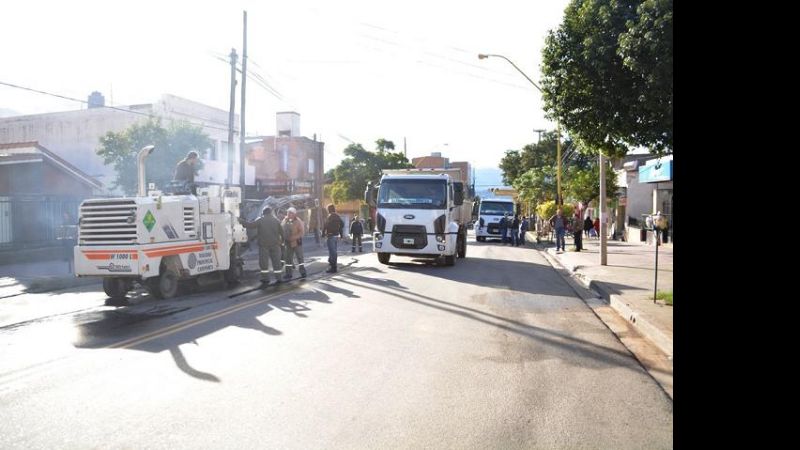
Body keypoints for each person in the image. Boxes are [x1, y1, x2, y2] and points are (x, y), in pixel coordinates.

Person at [239, 206, 284, 284]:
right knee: (276, 262)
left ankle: (266, 279)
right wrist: (282, 242)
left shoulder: (260, 220)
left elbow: (250, 225)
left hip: (264, 245)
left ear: (263, 213)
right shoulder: (276, 221)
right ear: (270, 212)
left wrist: (240, 220)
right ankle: (279, 278)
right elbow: (282, 233)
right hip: (275, 245)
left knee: (264, 263)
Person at [281, 207, 307, 279]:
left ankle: (303, 272)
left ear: (294, 214)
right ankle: (288, 274)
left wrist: (293, 237)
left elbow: (302, 232)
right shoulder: (285, 220)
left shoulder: (298, 221)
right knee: (288, 259)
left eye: (290, 213)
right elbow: (282, 229)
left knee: (300, 258)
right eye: (288, 212)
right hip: (287, 242)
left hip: (296, 242)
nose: (289, 214)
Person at [322, 204, 345, 273]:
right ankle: (331, 263)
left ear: (329, 209)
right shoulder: (337, 216)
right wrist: (340, 233)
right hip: (336, 236)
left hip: (331, 235)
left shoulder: (330, 216)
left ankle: (333, 268)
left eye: (327, 209)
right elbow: (342, 224)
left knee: (332, 252)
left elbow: (325, 225)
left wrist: (323, 234)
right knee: (334, 251)